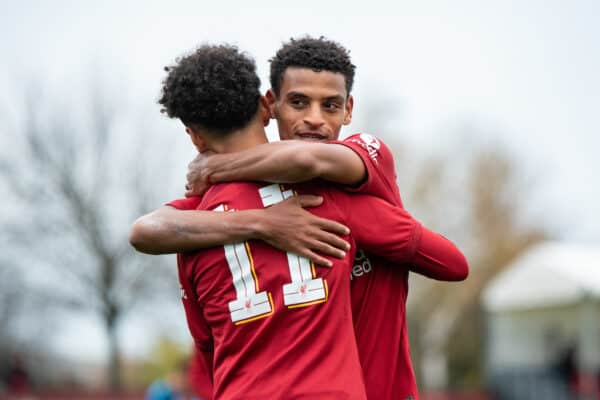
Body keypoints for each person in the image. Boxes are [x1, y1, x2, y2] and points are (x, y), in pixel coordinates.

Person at [130, 37, 468, 399]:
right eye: (299, 102)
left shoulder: (196, 225)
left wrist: (216, 168)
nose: (314, 119)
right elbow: (453, 263)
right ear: (269, 106)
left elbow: (205, 345)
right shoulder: (332, 200)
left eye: (330, 105)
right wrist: (265, 223)